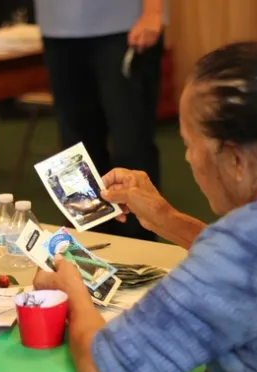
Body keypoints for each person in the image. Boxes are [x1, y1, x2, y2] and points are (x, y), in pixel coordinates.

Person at [33, 40, 257, 372]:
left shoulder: (244, 249)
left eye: (188, 144)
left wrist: (73, 290)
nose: (186, 158)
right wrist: (165, 217)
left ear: (234, 159)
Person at [33, 0, 167, 240]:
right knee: (74, 148)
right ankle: (89, 241)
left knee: (131, 144)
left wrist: (153, 11)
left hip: (123, 25)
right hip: (57, 28)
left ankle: (141, 248)